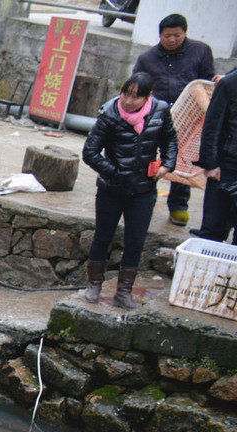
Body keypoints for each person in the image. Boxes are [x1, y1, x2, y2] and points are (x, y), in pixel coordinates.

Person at [81, 72, 178, 310]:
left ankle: (123, 292)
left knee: (135, 241)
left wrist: (167, 164)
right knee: (103, 236)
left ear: (148, 97)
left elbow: (170, 140)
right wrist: (113, 172)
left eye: (137, 96)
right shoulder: (110, 114)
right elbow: (90, 152)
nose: (129, 101)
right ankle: (94, 285)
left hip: (143, 190)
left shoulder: (160, 112)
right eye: (126, 93)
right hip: (111, 189)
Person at [133, 13, 222, 227]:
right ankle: (143, 200)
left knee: (182, 160)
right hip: (158, 116)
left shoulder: (201, 51)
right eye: (167, 36)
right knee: (151, 159)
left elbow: (207, 79)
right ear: (160, 35)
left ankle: (178, 206)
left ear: (185, 33)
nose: (172, 40)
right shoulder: (147, 58)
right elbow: (137, 84)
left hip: (189, 116)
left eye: (177, 35)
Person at [196, 68, 237, 244]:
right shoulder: (229, 84)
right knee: (212, 229)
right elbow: (212, 125)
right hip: (225, 166)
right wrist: (210, 163)